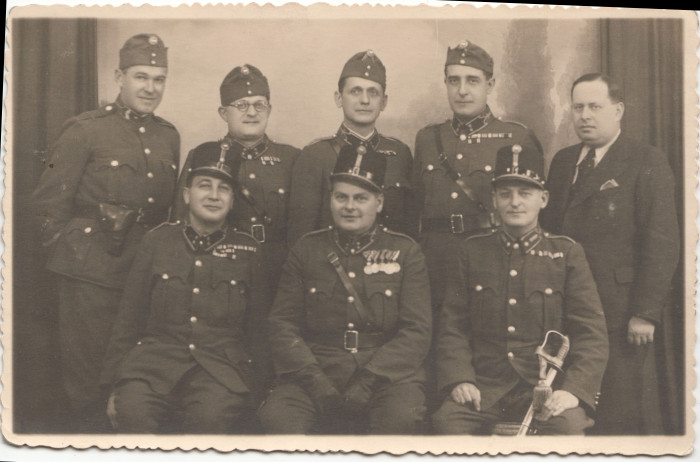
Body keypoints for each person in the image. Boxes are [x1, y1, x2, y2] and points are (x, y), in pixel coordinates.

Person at [31, 33, 180, 432]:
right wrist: (73, 259)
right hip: (90, 278)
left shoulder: (168, 136)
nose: (150, 88)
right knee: (88, 384)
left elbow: (162, 213)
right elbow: (48, 205)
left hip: (142, 275)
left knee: (131, 376)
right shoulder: (85, 130)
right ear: (119, 76)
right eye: (141, 77)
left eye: (159, 78)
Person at [432, 143, 609, 435]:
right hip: (484, 388)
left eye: (525, 194)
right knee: (446, 425)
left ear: (544, 199)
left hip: (546, 389)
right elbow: (453, 326)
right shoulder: (471, 252)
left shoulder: (566, 253)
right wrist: (459, 379)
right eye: (505, 194)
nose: (515, 202)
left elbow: (592, 333)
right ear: (494, 200)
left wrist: (573, 391)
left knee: (567, 431)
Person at [540, 73, 680, 435]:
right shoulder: (562, 161)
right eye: (578, 107)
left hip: (618, 309)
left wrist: (645, 313)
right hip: (565, 305)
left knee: (617, 409)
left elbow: (662, 241)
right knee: (566, 405)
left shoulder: (645, 160)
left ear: (618, 111)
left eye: (595, 107)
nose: (585, 115)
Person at [258, 143, 432, 434]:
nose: (349, 206)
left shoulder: (405, 251)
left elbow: (417, 331)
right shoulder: (307, 249)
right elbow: (282, 324)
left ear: (378, 202)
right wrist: (316, 382)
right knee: (278, 419)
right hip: (317, 367)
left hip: (387, 375)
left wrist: (369, 381)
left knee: (400, 420)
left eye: (360, 198)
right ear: (330, 199)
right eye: (341, 197)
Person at [100, 144, 268, 433]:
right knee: (133, 415)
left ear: (232, 200)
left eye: (223, 189)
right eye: (205, 186)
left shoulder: (249, 251)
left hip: (219, 370)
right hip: (152, 365)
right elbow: (129, 318)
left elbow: (259, 329)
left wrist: (258, 388)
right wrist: (114, 384)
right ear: (187, 195)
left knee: (209, 421)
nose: (214, 196)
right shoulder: (157, 242)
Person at [172, 65, 300, 400]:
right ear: (223, 112)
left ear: (269, 110)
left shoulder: (291, 159)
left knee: (274, 349)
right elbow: (181, 220)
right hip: (225, 271)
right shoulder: (205, 157)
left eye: (260, 104)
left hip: (278, 270)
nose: (252, 112)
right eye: (242, 105)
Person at [413, 40, 543, 313]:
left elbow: (538, 214)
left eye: (472, 80)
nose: (462, 91)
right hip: (435, 264)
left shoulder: (516, 137)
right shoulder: (427, 139)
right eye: (454, 81)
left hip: (492, 261)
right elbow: (417, 206)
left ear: (490, 85)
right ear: (445, 83)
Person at [288, 50, 416, 245]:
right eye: (355, 91)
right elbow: (301, 237)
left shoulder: (400, 154)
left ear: (384, 102)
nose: (365, 100)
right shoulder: (314, 155)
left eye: (373, 93)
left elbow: (409, 231)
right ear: (339, 98)